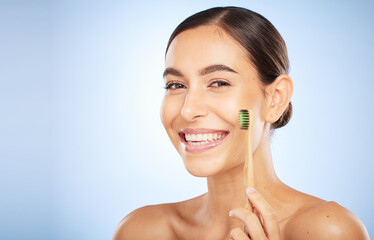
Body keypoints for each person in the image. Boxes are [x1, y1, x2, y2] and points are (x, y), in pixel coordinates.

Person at [113, 6, 369, 240]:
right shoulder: (141, 230)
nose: (188, 109)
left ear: (275, 99)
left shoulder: (330, 230)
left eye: (219, 83)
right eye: (176, 85)